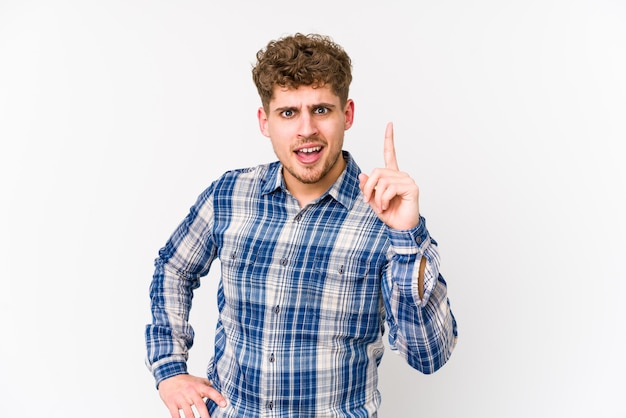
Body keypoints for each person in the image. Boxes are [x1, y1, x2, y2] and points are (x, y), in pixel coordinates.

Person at [145, 32, 458, 418]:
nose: (306, 129)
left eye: (322, 110)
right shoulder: (229, 195)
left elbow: (430, 355)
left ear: (348, 114)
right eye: (288, 113)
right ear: (265, 121)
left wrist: (407, 239)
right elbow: (174, 267)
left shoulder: (386, 218)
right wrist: (169, 368)